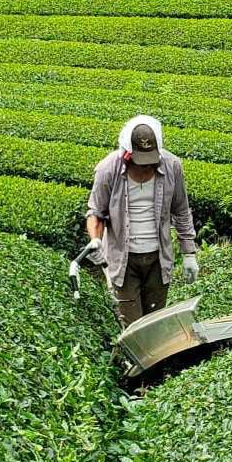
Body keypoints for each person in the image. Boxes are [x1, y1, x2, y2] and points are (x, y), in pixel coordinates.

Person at [85, 115, 199, 328]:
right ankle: (132, 362)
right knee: (133, 327)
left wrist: (189, 253)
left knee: (154, 323)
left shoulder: (172, 166)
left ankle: (154, 362)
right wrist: (96, 241)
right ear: (127, 153)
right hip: (123, 261)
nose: (146, 167)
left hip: (158, 258)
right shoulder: (108, 169)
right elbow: (95, 212)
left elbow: (181, 211)